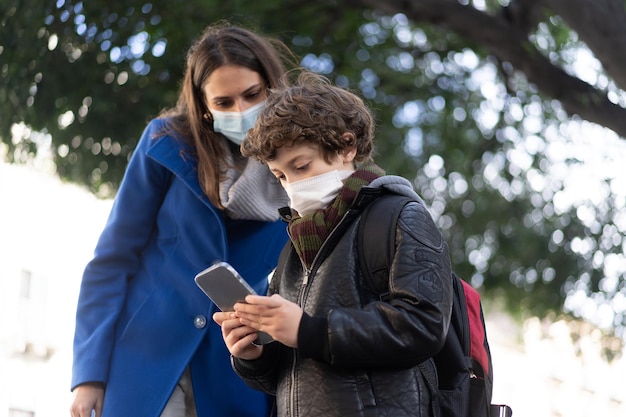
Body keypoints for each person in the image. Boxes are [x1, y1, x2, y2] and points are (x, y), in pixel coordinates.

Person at [70, 23, 297, 417]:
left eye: (252, 95)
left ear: (272, 86)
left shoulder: (300, 166)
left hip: (240, 374)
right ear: (204, 107)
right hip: (146, 360)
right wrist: (89, 375)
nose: (241, 111)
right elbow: (112, 259)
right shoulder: (165, 144)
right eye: (224, 102)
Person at [213, 72, 454, 417]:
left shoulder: (401, 215)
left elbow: (424, 325)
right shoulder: (292, 251)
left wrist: (309, 330)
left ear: (347, 147)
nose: (293, 185)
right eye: (281, 176)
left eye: (301, 166)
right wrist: (254, 354)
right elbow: (292, 374)